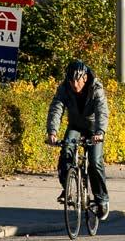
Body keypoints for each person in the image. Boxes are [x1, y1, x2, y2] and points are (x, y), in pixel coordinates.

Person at [47, 59, 110, 220]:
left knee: (95, 162)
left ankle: (101, 199)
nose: (75, 84)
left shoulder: (96, 88)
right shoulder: (64, 88)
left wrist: (100, 131)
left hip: (93, 129)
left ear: (85, 78)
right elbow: (56, 108)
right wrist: (52, 132)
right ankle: (68, 186)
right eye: (71, 80)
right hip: (75, 126)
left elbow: (102, 111)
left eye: (77, 80)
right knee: (65, 152)